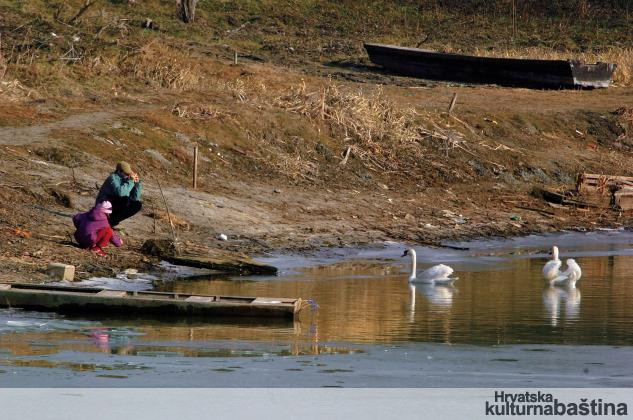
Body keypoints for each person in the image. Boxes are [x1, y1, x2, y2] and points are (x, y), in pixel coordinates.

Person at [96, 161, 142, 227]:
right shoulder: (112, 178)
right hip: (104, 205)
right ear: (119, 171)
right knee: (124, 199)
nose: (128, 175)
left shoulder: (127, 180)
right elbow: (120, 193)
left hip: (116, 205)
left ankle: (112, 222)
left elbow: (135, 198)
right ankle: (107, 221)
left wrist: (137, 184)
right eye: (126, 173)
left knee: (137, 204)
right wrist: (131, 181)